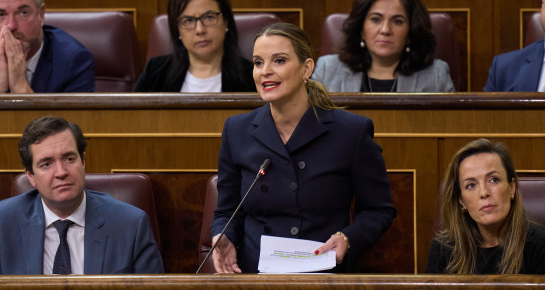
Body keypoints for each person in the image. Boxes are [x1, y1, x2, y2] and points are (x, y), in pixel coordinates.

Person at [210, 22, 397, 274]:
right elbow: (227, 211)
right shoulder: (237, 130)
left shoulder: (351, 132)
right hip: (255, 274)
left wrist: (347, 237)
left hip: (322, 272)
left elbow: (379, 210)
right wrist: (224, 235)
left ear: (306, 68)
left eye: (279, 60)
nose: (265, 71)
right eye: (257, 62)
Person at [0, 116, 163, 275]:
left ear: (83, 162)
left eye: (69, 159)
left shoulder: (131, 224)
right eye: (46, 164)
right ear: (31, 176)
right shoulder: (2, 222)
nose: (61, 172)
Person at [426, 139, 545, 274]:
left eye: (494, 180)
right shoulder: (443, 249)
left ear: (511, 188)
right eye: (471, 185)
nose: (484, 192)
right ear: (461, 200)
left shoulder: (542, 245)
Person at [312, 0, 454, 92]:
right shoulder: (327, 69)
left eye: (397, 21)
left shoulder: (436, 74)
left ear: (411, 31)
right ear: (361, 28)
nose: (385, 30)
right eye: (376, 19)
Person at [0, 0, 95, 93]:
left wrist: (20, 85)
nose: (11, 25)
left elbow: (70, 129)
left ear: (41, 15)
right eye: (1, 14)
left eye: (23, 13)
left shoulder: (75, 61)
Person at [134, 0, 255, 92]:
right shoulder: (155, 71)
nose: (200, 30)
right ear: (177, 30)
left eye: (209, 17)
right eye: (188, 21)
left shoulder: (252, 76)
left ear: (226, 21)